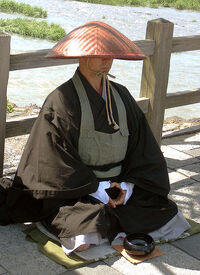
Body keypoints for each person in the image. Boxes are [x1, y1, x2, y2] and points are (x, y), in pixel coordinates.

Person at [0, 21, 190, 254]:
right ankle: (108, 224)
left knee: (170, 215)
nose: (106, 59)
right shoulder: (61, 100)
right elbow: (52, 161)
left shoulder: (121, 95)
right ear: (81, 56)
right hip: (78, 191)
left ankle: (116, 217)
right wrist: (98, 189)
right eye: (99, 53)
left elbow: (143, 150)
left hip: (119, 184)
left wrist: (127, 188)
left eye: (110, 54)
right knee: (82, 232)